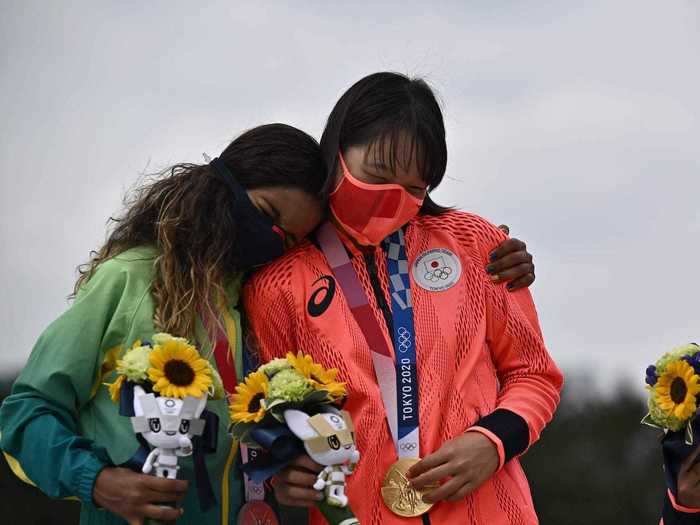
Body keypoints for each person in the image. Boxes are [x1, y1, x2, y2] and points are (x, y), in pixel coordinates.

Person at [0, 121, 535, 524]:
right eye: (266, 214)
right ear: (221, 188)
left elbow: (265, 445)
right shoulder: (127, 281)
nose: (271, 239)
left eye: (292, 238)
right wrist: (98, 481)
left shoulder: (260, 298)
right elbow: (26, 414)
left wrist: (286, 475)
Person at [244, 72, 563, 525]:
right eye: (377, 174)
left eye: (415, 189)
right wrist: (284, 472)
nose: (394, 198)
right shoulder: (276, 286)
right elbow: (266, 419)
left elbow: (535, 375)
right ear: (336, 150)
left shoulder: (474, 244)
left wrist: (492, 442)